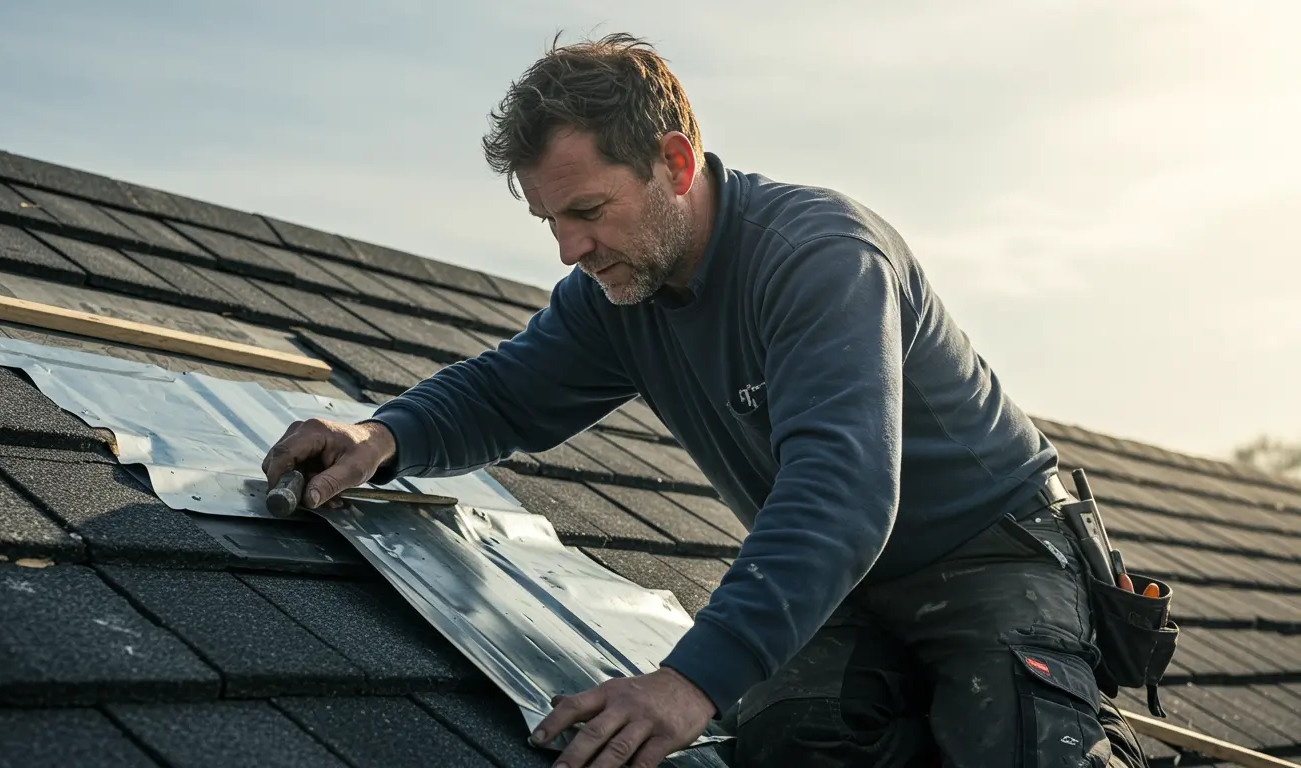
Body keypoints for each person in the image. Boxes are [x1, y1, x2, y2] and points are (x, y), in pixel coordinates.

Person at [261, 33, 1151, 768]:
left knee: (1021, 754)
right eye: (550, 222)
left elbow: (840, 490)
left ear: (675, 162)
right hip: (846, 583)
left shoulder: (821, 257)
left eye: (589, 210)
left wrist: (688, 682)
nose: (570, 249)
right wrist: (381, 436)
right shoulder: (621, 292)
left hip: (991, 557)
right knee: (786, 743)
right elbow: (507, 391)